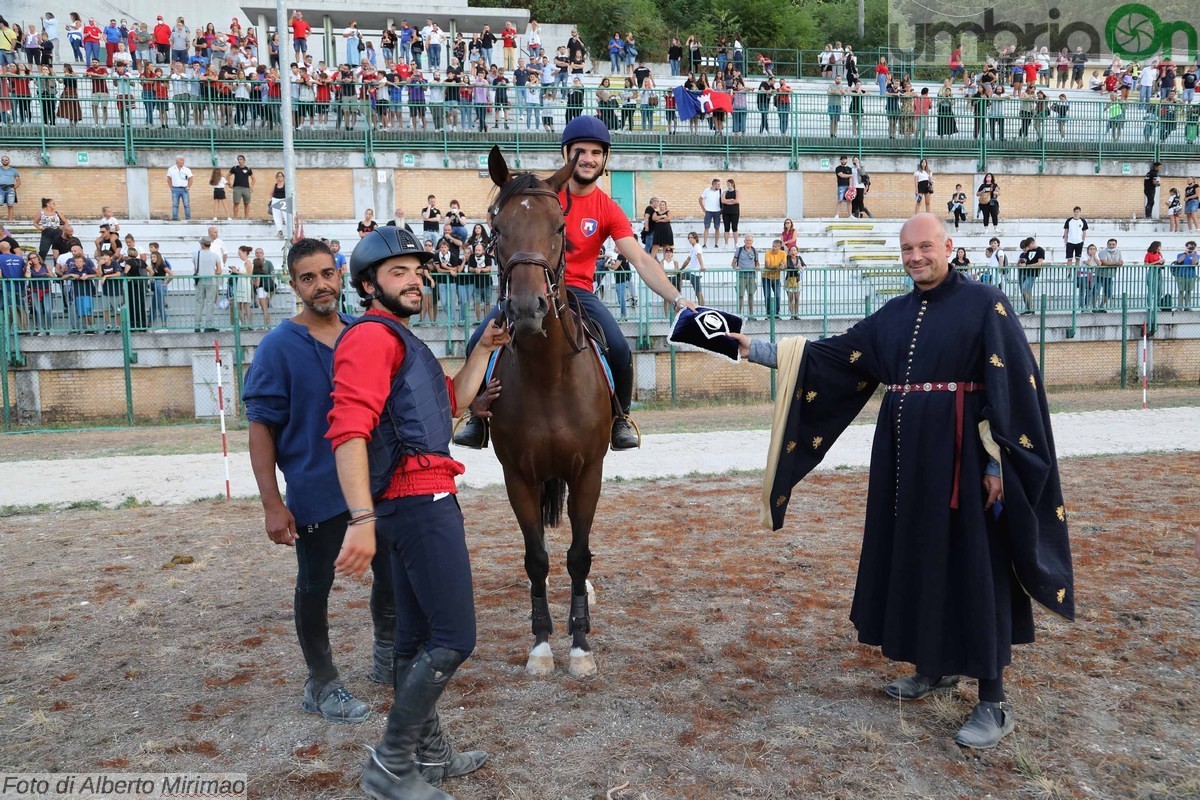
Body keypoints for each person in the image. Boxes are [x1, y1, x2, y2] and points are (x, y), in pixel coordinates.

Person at [731, 212, 1074, 751]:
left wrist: (997, 466)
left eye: (925, 247)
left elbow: (1014, 390)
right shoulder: (892, 315)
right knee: (916, 555)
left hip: (964, 462)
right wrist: (749, 348)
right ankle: (933, 667)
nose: (916, 257)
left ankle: (993, 699)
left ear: (948, 246)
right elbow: (830, 357)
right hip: (904, 463)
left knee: (972, 565)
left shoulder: (987, 303)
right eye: (907, 249)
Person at [327, 227, 501, 799]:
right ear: (367, 284)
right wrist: (360, 520)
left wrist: (481, 350)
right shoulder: (372, 340)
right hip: (417, 502)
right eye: (398, 272)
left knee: (415, 638)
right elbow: (349, 432)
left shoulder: (400, 339)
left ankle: (431, 756)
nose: (414, 280)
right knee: (454, 637)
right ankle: (390, 766)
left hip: (408, 501)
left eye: (417, 272)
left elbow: (447, 407)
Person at [455, 116, 697, 451]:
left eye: (597, 152)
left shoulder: (608, 209)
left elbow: (641, 259)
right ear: (567, 154)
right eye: (581, 151)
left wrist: (678, 299)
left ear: (604, 159)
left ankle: (620, 418)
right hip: (531, 289)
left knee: (620, 348)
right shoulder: (542, 195)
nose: (588, 158)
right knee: (475, 343)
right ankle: (477, 419)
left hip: (579, 293)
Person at [242, 238, 394, 726]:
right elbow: (261, 428)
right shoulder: (278, 347)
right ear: (293, 285)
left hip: (377, 485)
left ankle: (387, 656)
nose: (321, 285)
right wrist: (272, 503)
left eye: (327, 273)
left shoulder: (363, 331)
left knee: (392, 574)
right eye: (308, 277)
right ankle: (322, 683)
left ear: (341, 274)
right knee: (315, 585)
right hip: (316, 491)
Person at [192, 234, 222, 330]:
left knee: (199, 303)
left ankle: (197, 325)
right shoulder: (215, 255)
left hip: (200, 280)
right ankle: (208, 325)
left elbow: (195, 267)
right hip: (211, 280)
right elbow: (219, 271)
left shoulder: (196, 255)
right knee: (210, 303)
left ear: (202, 244)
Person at [732, 234, 759, 318]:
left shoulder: (755, 251)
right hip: (741, 276)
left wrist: (757, 267)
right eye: (747, 240)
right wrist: (735, 267)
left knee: (751, 295)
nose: (748, 242)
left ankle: (751, 314)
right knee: (740, 295)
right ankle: (739, 314)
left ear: (752, 242)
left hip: (751, 276)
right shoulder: (739, 250)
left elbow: (757, 263)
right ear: (744, 241)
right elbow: (733, 262)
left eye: (750, 240)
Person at [678, 231, 706, 306]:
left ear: (695, 238)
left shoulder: (697, 247)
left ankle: (703, 308)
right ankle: (679, 292)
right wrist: (681, 269)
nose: (690, 239)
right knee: (679, 275)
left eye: (691, 238)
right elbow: (688, 260)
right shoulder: (693, 248)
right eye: (689, 238)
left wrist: (702, 266)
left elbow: (699, 255)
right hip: (691, 272)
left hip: (695, 273)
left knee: (698, 293)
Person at [1095, 237, 1122, 312]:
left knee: (1109, 293)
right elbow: (1104, 262)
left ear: (1116, 245)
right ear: (1107, 244)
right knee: (1096, 291)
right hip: (1100, 275)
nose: (1111, 246)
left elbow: (1121, 262)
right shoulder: (1103, 252)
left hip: (1110, 275)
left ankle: (1101, 307)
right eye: (1110, 244)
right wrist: (1115, 263)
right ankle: (1093, 307)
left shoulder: (1118, 252)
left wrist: (1113, 263)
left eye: (1113, 244)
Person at [1170, 240, 1197, 310]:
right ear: (1186, 247)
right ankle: (1180, 307)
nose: (1191, 249)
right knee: (1181, 291)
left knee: (1188, 291)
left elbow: (1194, 263)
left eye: (1192, 248)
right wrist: (1185, 253)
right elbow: (1179, 261)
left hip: (1191, 275)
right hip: (1181, 275)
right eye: (1189, 247)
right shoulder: (1180, 254)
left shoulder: (1196, 255)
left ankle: (1187, 306)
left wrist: (1195, 254)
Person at [166, 155, 193, 221]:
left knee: (186, 205)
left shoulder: (187, 169)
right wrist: (171, 187)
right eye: (181, 160)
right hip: (175, 189)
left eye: (183, 160)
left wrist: (188, 187)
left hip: (184, 189)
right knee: (175, 204)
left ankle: (188, 218)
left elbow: (191, 178)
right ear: (177, 161)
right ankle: (175, 218)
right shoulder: (171, 169)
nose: (183, 161)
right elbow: (169, 178)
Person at [229, 155, 255, 220]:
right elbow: (227, 175)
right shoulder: (234, 168)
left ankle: (246, 218)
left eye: (241, 159)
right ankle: (235, 218)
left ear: (244, 160)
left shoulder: (248, 169)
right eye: (238, 159)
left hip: (246, 188)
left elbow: (253, 179)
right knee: (236, 203)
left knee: (246, 203)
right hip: (237, 188)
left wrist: (251, 187)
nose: (239, 161)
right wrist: (229, 184)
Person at [699, 178, 723, 248]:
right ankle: (705, 243)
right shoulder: (707, 190)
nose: (719, 186)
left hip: (717, 211)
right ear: (714, 184)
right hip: (708, 211)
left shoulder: (721, 191)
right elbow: (700, 199)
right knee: (706, 227)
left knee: (717, 227)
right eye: (718, 184)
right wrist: (703, 209)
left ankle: (716, 244)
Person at [0, 155, 20, 222]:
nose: (4, 161)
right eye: (3, 160)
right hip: (0, 188)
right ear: (1, 161)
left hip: (10, 189)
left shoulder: (13, 170)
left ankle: (10, 220)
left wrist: (14, 188)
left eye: (6, 160)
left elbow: (18, 181)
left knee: (10, 205)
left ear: (9, 161)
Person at [721, 179, 740, 247]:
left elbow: (737, 201)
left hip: (734, 212)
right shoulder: (725, 192)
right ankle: (726, 244)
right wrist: (731, 200)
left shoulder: (736, 192)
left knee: (734, 227)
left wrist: (727, 202)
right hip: (726, 212)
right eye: (727, 184)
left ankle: (736, 243)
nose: (728, 185)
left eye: (729, 183)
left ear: (732, 184)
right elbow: (723, 201)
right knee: (726, 228)